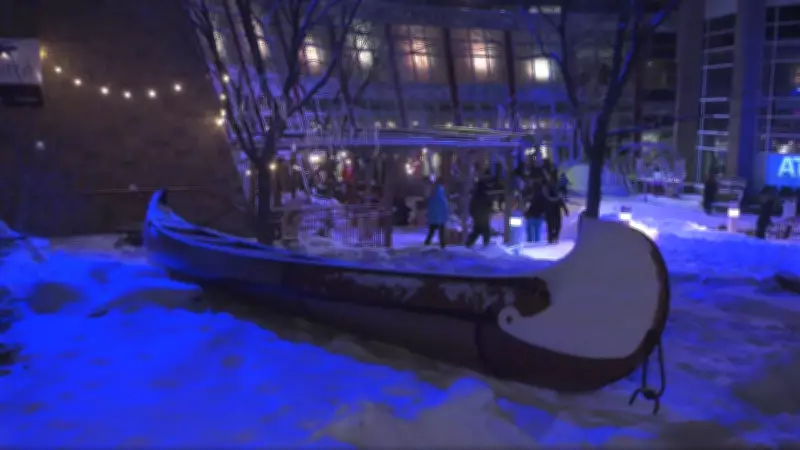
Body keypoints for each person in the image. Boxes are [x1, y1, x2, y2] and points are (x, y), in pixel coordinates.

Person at [466, 180, 493, 248]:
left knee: (476, 230)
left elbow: (471, 207)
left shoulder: (475, 196)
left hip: (477, 217)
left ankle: (469, 243)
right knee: (485, 231)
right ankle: (486, 245)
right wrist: (489, 212)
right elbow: (489, 205)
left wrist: (473, 214)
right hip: (484, 217)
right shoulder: (485, 196)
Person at [543, 173, 569, 244]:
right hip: (553, 209)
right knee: (555, 225)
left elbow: (560, 200)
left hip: (550, 209)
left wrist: (565, 210)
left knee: (551, 225)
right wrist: (565, 210)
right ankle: (553, 237)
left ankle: (552, 237)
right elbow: (561, 201)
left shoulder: (547, 188)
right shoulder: (553, 188)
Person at [424, 178, 448, 248]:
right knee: (441, 230)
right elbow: (444, 207)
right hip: (440, 217)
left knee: (432, 230)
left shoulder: (432, 194)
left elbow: (429, 206)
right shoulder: (442, 196)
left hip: (433, 217)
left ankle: (427, 242)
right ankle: (442, 244)